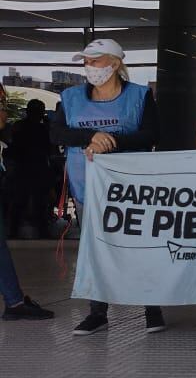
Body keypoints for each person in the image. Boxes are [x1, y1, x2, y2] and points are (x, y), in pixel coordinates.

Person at [50, 39, 164, 335]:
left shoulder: (139, 96)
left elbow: (151, 134)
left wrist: (110, 143)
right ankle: (97, 312)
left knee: (139, 247)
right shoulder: (71, 97)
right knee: (95, 250)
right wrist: (91, 136)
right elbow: (57, 132)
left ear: (114, 64)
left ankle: (152, 308)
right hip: (87, 186)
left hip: (130, 187)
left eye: (96, 61)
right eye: (86, 61)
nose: (90, 67)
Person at [0, 86, 53, 321]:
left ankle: (14, 300)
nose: (4, 113)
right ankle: (14, 301)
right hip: (27, 173)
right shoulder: (31, 129)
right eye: (1, 107)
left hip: (28, 174)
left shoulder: (23, 129)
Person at [4, 98, 55, 239]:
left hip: (26, 168)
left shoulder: (20, 126)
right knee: (33, 201)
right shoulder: (41, 128)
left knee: (24, 201)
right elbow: (50, 149)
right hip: (31, 168)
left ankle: (15, 230)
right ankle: (41, 231)